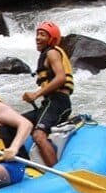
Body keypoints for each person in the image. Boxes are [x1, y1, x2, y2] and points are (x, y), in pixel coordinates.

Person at [20, 21, 74, 167]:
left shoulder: (52, 52)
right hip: (49, 103)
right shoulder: (45, 55)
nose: (37, 37)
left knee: (39, 135)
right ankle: (25, 164)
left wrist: (36, 94)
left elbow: (61, 77)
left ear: (52, 39)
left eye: (42, 34)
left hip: (58, 102)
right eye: (37, 34)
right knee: (18, 122)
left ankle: (57, 174)